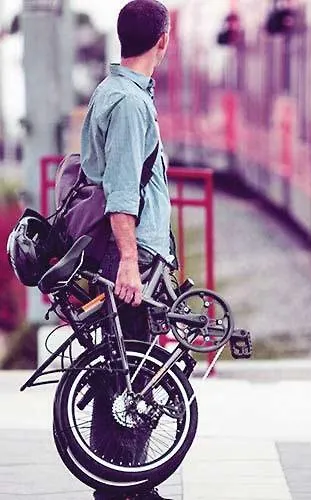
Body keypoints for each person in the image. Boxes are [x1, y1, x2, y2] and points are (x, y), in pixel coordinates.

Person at [79, 1, 174, 499]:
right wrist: (132, 265)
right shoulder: (131, 104)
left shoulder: (111, 92)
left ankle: (119, 480)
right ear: (162, 40)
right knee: (132, 371)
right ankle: (123, 486)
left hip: (124, 253)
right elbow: (121, 194)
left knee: (121, 369)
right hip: (128, 256)